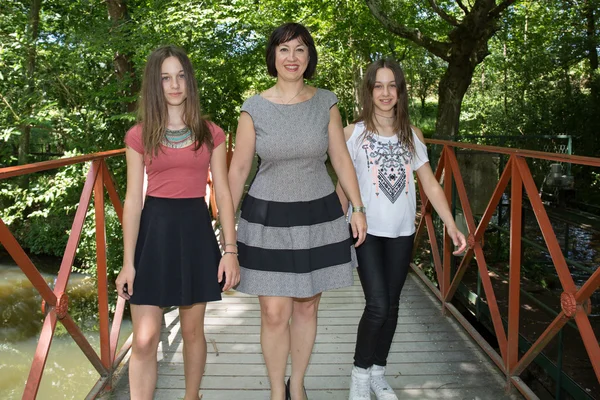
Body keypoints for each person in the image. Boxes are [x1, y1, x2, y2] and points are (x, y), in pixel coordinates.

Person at [228, 23, 367, 400]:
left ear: (310, 57)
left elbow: (340, 157)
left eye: (301, 49)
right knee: (274, 313)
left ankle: (298, 384)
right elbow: (238, 171)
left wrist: (357, 207)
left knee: (306, 307)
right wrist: (227, 234)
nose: (293, 57)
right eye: (285, 50)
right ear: (273, 57)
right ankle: (277, 390)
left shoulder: (327, 102)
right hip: (267, 220)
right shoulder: (253, 108)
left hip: (317, 217)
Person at [336, 58, 467, 400]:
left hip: (401, 233)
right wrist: (333, 229)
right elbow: (342, 185)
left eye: (391, 85)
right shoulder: (353, 134)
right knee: (378, 304)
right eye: (378, 85)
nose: (385, 92)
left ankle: (378, 372)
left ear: (400, 91)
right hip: (365, 232)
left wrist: (451, 224)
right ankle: (359, 376)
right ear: (368, 90)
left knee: (391, 306)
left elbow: (431, 185)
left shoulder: (412, 135)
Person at [115, 45, 240, 400]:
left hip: (195, 232)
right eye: (165, 77)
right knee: (144, 337)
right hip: (153, 234)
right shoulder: (139, 135)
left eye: (181, 76)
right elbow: (133, 200)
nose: (174, 84)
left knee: (193, 331)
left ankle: (191, 396)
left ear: (190, 81)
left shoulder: (210, 132)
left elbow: (226, 195)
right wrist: (127, 264)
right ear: (155, 84)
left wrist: (229, 250)